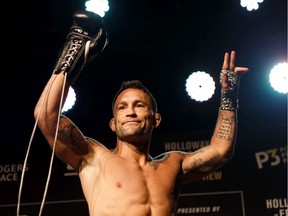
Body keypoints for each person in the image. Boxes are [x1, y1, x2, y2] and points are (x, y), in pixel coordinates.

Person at [34, 10, 249, 216]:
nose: (130, 112)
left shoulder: (172, 165)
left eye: (139, 105)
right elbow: (46, 117)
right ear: (112, 123)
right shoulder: (94, 157)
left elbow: (221, 151)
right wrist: (72, 59)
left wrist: (228, 97)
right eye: (122, 107)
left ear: (156, 119)